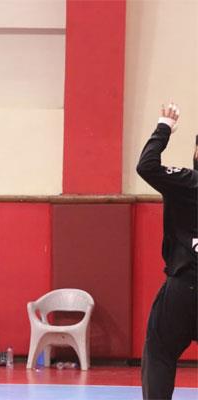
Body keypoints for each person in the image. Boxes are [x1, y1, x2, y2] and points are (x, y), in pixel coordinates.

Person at [136, 102, 197, 400]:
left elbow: (146, 166)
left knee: (160, 351)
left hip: (185, 285)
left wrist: (164, 127)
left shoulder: (187, 182)